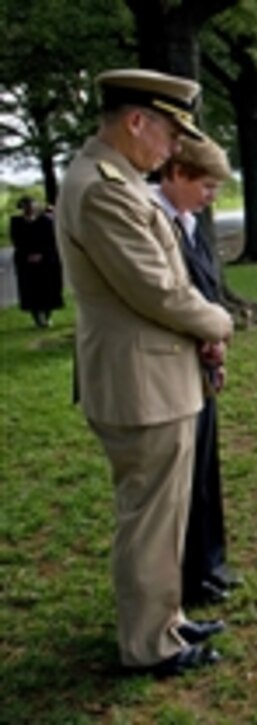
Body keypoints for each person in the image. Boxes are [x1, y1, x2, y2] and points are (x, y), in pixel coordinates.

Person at [54, 68, 234, 678]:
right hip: (140, 384)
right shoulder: (103, 189)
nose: (172, 150)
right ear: (137, 122)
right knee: (149, 520)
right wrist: (218, 323)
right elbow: (156, 290)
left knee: (166, 514)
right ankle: (147, 644)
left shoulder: (115, 181)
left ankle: (166, 619)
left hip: (157, 376)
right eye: (169, 134)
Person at [154, 136, 242, 607]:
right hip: (170, 365)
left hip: (200, 361)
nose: (212, 197)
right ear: (176, 173)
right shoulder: (156, 223)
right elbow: (169, 297)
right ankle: (190, 579)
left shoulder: (187, 223)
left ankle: (211, 566)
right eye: (206, 186)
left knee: (206, 471)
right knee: (182, 482)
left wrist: (215, 351)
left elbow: (205, 289)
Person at [10, 196, 64, 328]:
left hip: (46, 260)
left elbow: (52, 240)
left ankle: (47, 315)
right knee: (30, 290)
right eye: (26, 206)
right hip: (26, 261)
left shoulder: (46, 221)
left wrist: (42, 255)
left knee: (48, 288)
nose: (29, 208)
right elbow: (17, 241)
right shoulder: (17, 223)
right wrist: (28, 255)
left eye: (31, 205)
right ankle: (37, 317)